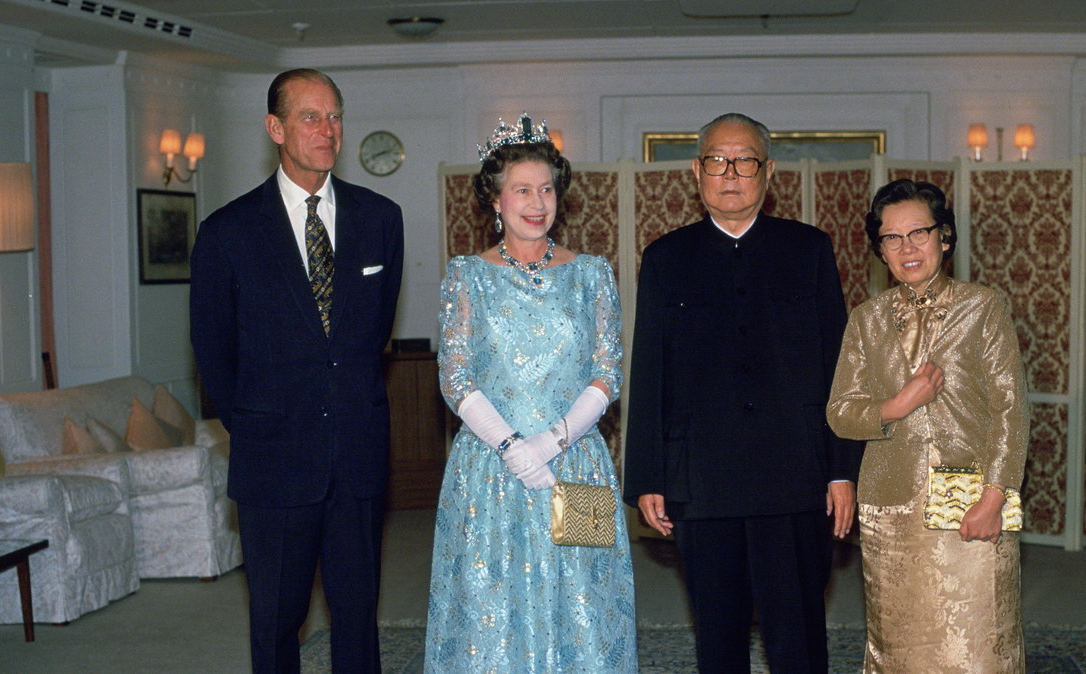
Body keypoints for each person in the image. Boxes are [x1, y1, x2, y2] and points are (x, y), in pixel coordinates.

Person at [624, 112, 862, 673]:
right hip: (702, 478)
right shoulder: (666, 257)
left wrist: (840, 470)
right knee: (717, 634)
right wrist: (649, 477)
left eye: (745, 160)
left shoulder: (808, 250)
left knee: (797, 633)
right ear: (696, 170)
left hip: (794, 474)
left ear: (769, 170)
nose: (730, 173)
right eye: (716, 160)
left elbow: (838, 367)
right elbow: (650, 369)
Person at [190, 68, 404, 673]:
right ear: (275, 128)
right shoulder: (227, 233)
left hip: (358, 457)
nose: (327, 129)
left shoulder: (380, 219)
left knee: (358, 618)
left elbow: (371, 336)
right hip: (273, 460)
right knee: (277, 621)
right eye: (311, 117)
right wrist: (261, 423)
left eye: (334, 115)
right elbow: (213, 356)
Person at [423, 114, 636, 673]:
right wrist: (513, 445)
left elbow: (608, 371)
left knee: (586, 610)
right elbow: (456, 375)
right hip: (491, 470)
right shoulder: (467, 276)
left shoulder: (591, 273)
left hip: (575, 463)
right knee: (490, 614)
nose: (537, 202)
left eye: (546, 189)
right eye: (522, 190)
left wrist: (550, 442)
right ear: (495, 199)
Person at [826, 178, 1028, 673]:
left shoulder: (983, 306)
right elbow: (840, 413)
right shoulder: (866, 319)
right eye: (891, 238)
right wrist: (897, 405)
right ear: (880, 250)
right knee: (899, 646)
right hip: (890, 511)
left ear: (945, 237)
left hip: (973, 500)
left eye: (918, 232)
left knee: (976, 645)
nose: (906, 248)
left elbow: (1011, 408)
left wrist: (995, 496)